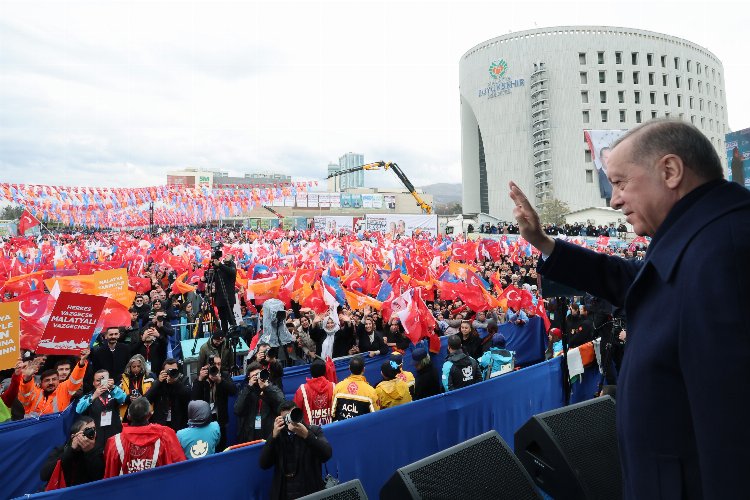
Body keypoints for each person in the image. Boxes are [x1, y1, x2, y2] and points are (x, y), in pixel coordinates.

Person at [509, 118, 750, 498]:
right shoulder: (699, 237)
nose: (614, 200)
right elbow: (637, 281)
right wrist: (543, 242)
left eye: (621, 183)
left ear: (670, 171)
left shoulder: (728, 253)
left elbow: (737, 437)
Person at [259, 400, 333, 500]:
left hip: (310, 493)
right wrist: (273, 437)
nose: (291, 420)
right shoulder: (278, 436)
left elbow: (326, 454)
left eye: (293, 414)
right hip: (284, 493)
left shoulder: (313, 431)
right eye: (287, 417)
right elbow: (264, 464)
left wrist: (307, 436)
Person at [103, 397, 185, 477]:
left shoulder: (114, 442)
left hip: (127, 489)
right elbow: (180, 467)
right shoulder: (166, 435)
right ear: (149, 415)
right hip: (159, 488)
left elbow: (109, 474)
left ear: (128, 417)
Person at [19, 349, 89, 416]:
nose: (51, 382)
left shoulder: (64, 390)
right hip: (33, 427)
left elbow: (75, 379)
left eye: (54, 379)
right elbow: (25, 391)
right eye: (47, 380)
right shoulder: (34, 393)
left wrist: (82, 361)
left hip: (57, 426)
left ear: (58, 381)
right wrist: (27, 377)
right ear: (41, 383)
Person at [40, 416, 104, 488]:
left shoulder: (97, 450)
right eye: (87, 430)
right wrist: (71, 450)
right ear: (74, 436)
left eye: (94, 429)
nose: (92, 433)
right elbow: (44, 475)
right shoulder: (62, 450)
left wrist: (90, 451)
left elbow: (100, 478)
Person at [191, 353, 238, 451]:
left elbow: (234, 391)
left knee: (221, 447)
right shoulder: (202, 377)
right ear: (208, 365)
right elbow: (194, 399)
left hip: (220, 420)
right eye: (214, 364)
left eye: (219, 364)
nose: (217, 366)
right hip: (204, 421)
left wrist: (220, 381)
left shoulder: (224, 375)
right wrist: (200, 379)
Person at [233, 361, 285, 444]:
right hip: (250, 437)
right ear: (249, 378)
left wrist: (267, 387)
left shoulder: (271, 388)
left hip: (269, 437)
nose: (257, 378)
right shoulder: (246, 391)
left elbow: (282, 404)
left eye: (258, 374)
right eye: (253, 376)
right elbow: (237, 410)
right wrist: (248, 388)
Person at [76, 369, 128, 449]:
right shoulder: (89, 396)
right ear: (93, 383)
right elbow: (78, 409)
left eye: (103, 380)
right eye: (97, 380)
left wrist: (113, 388)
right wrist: (94, 396)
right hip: (97, 436)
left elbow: (124, 399)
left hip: (114, 433)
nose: (100, 383)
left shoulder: (115, 391)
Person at [144, 358, 192, 432]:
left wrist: (176, 382)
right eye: (169, 371)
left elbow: (188, 397)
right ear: (163, 371)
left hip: (179, 424)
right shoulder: (159, 383)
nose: (172, 373)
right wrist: (158, 382)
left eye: (174, 370)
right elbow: (146, 400)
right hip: (161, 424)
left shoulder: (183, 380)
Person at [332, 356, 379, 420]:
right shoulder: (371, 391)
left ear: (349, 368)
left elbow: (332, 413)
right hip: (361, 428)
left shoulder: (338, 387)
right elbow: (375, 417)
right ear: (364, 369)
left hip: (342, 428)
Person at [293, 359, 335, 426]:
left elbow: (295, 414)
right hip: (330, 430)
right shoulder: (333, 387)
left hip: (310, 433)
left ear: (311, 372)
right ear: (325, 372)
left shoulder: (302, 389)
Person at [119, 354, 155, 422]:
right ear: (129, 367)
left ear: (142, 366)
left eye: (138, 366)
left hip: (146, 412)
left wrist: (143, 398)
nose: (136, 369)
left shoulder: (150, 377)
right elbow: (117, 396)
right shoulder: (122, 378)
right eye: (134, 367)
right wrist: (128, 398)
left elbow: (154, 394)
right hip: (127, 413)